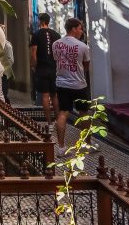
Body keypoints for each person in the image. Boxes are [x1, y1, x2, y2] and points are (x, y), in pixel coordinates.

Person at [52, 16, 90, 159]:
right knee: (84, 114)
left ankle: (61, 148)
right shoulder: (83, 46)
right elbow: (86, 66)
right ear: (74, 29)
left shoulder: (56, 44)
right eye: (80, 28)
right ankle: (86, 145)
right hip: (79, 85)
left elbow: (57, 60)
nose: (82, 31)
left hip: (62, 84)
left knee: (62, 113)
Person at [30, 12, 61, 128]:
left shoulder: (36, 34)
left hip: (42, 68)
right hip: (53, 68)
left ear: (41, 21)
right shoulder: (56, 35)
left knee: (45, 96)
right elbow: (59, 53)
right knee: (54, 96)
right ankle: (59, 121)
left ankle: (49, 123)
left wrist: (33, 65)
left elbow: (34, 52)